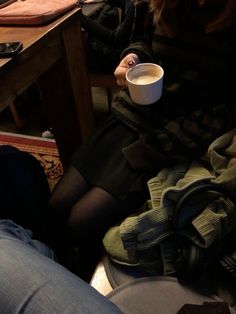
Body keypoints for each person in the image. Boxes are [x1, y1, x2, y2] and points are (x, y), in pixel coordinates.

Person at [47, 0, 236, 281]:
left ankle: (77, 285)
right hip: (131, 115)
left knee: (81, 221)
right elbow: (143, 41)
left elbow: (228, 112)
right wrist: (133, 57)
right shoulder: (162, 3)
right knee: (56, 205)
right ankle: (55, 273)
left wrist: (158, 147)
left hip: (174, 137)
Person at [80, 0, 151, 73]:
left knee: (83, 41)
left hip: (126, 57)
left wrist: (78, 17)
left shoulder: (141, 3)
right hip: (133, 51)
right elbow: (128, 4)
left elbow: (116, 40)